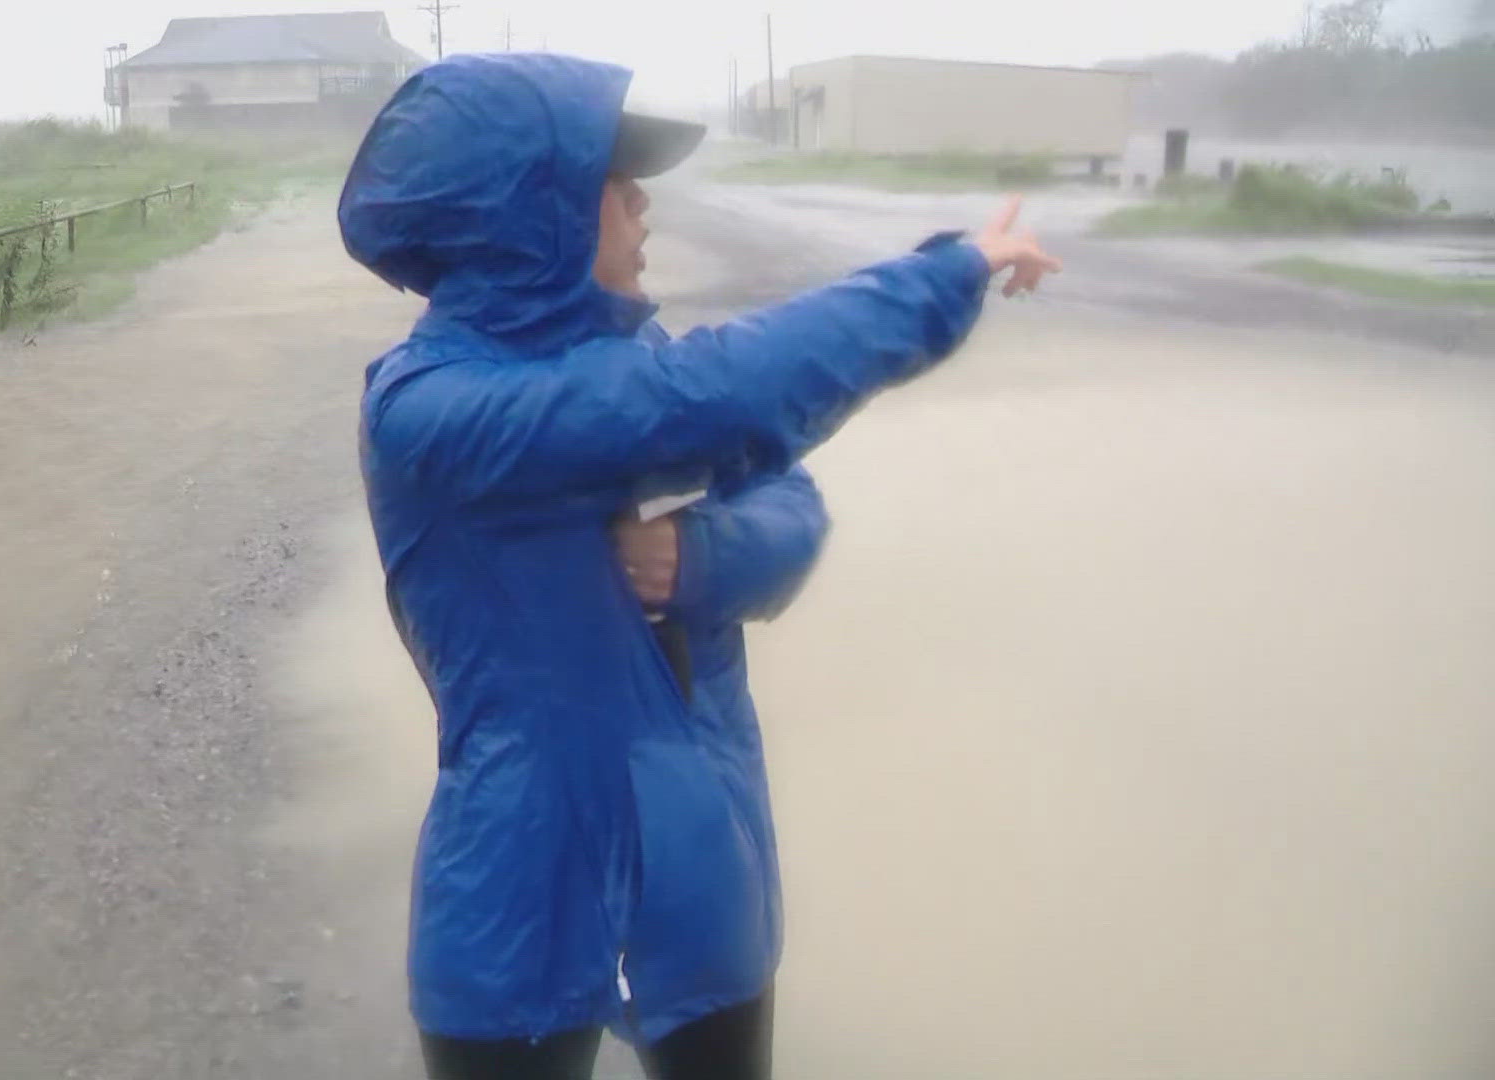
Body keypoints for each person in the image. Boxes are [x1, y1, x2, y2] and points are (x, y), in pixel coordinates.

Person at [338, 53, 1059, 1080]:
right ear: (521, 214)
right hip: (518, 880)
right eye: (609, 177)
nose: (641, 201)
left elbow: (791, 505)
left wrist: (698, 558)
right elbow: (713, 403)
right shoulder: (428, 409)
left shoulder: (643, 366)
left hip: (698, 860)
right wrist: (948, 275)